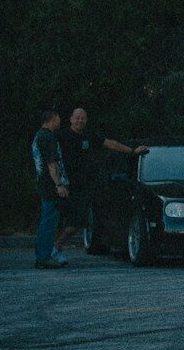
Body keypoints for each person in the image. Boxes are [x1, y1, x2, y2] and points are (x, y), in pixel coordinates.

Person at [55, 107, 149, 256]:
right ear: (71, 119)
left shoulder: (89, 136)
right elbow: (48, 158)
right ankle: (50, 250)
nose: (80, 120)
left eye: (83, 118)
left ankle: (56, 247)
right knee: (56, 219)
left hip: (80, 186)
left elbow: (110, 144)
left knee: (77, 222)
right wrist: (56, 182)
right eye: (77, 117)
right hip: (61, 185)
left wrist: (132, 151)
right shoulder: (61, 136)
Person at [31, 108, 69, 270]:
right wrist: (59, 184)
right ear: (52, 119)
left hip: (44, 184)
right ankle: (43, 257)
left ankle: (43, 255)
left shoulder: (39, 136)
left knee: (47, 220)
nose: (60, 121)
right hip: (49, 186)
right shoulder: (48, 137)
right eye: (58, 117)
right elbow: (51, 163)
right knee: (49, 221)